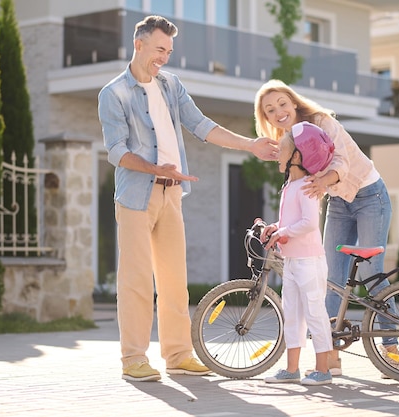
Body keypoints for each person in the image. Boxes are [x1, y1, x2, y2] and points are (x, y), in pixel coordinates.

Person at [98, 15, 278, 382]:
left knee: (173, 280)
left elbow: (202, 126)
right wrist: (156, 169)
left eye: (169, 51)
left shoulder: (170, 85)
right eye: (159, 49)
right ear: (139, 44)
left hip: (172, 194)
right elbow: (116, 151)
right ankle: (133, 358)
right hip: (135, 196)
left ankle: (178, 354)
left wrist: (251, 145)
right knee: (135, 281)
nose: (164, 57)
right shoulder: (113, 93)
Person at [254, 79, 397, 378]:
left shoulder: (320, 122)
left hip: (369, 194)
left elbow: (342, 161)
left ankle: (392, 347)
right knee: (332, 276)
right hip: (338, 201)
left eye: (282, 103)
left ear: (293, 102)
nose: (278, 111)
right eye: (270, 110)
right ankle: (330, 356)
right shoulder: (288, 140)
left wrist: (323, 181)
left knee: (371, 272)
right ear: (265, 118)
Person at [261, 122, 335, 386]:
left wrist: (284, 232)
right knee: (291, 312)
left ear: (296, 156)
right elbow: (291, 223)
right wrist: (276, 228)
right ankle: (292, 369)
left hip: (309, 261)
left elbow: (309, 223)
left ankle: (323, 370)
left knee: (315, 312)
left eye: (282, 150)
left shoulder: (307, 185)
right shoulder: (289, 186)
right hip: (291, 261)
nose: (278, 154)